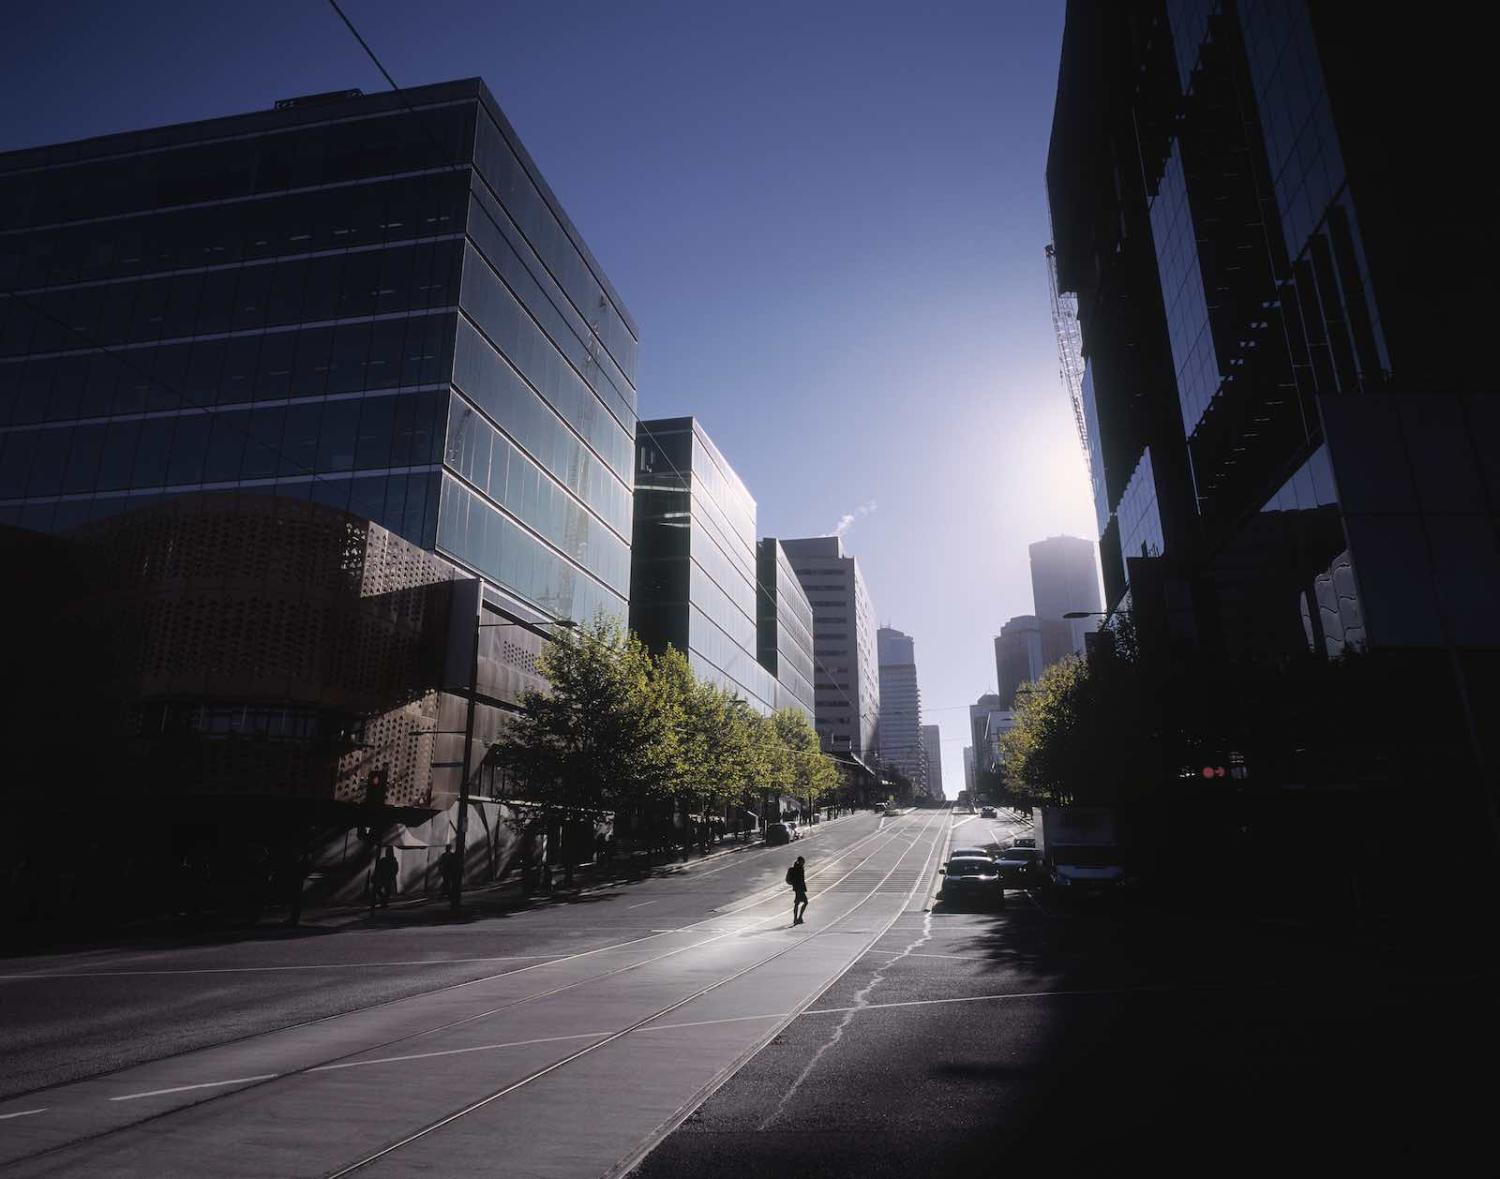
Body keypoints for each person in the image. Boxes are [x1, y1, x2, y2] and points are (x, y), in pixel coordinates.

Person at [786, 855, 808, 925]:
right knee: (804, 902)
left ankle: (797, 918)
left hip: (797, 888)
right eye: (803, 862)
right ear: (800, 862)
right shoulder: (798, 868)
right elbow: (800, 879)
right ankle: (798, 918)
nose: (803, 863)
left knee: (797, 903)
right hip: (799, 888)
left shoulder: (798, 867)